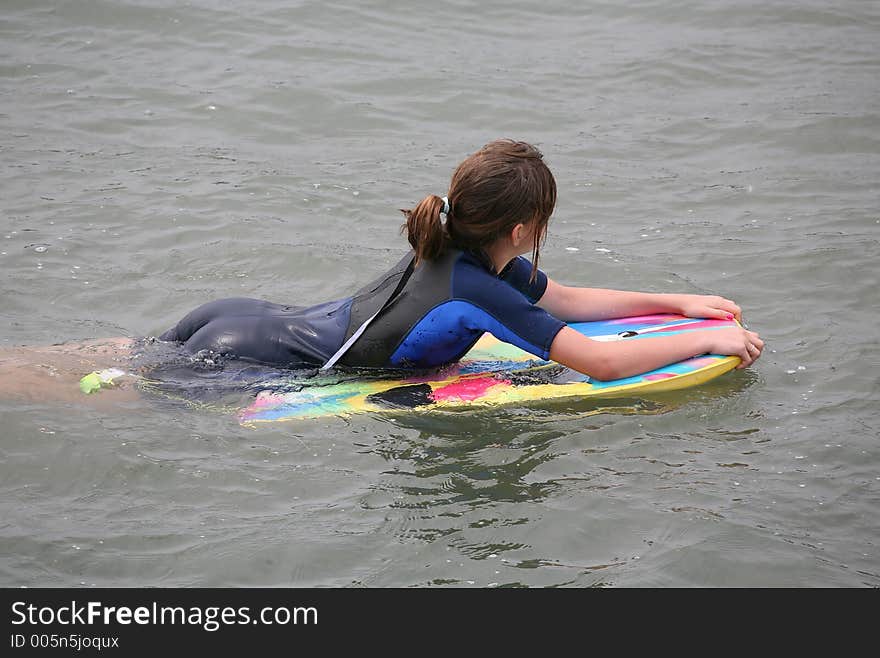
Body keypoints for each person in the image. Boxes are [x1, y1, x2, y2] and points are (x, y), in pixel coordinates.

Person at [0, 139, 762, 402]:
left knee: (103, 360)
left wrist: (677, 300)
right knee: (104, 394)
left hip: (236, 318)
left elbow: (563, 298)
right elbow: (597, 362)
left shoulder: (450, 243)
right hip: (244, 362)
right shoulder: (478, 285)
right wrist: (709, 344)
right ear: (523, 230)